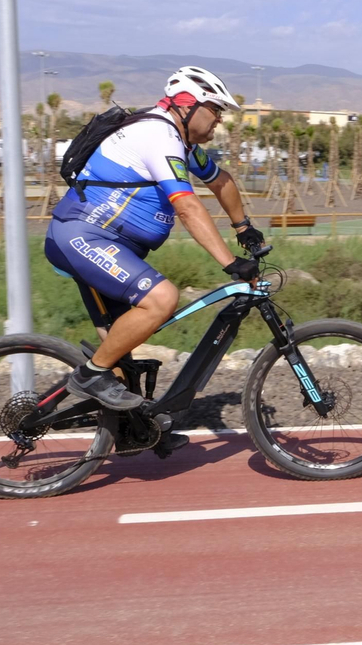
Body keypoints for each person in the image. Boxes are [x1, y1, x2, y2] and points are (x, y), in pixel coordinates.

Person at [43, 66, 265, 448]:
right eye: (215, 110)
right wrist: (230, 263)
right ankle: (90, 377)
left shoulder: (183, 145)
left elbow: (220, 180)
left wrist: (243, 226)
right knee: (162, 298)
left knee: (121, 351)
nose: (219, 120)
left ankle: (131, 434)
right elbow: (188, 206)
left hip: (113, 245)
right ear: (187, 105)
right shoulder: (157, 135)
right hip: (83, 235)